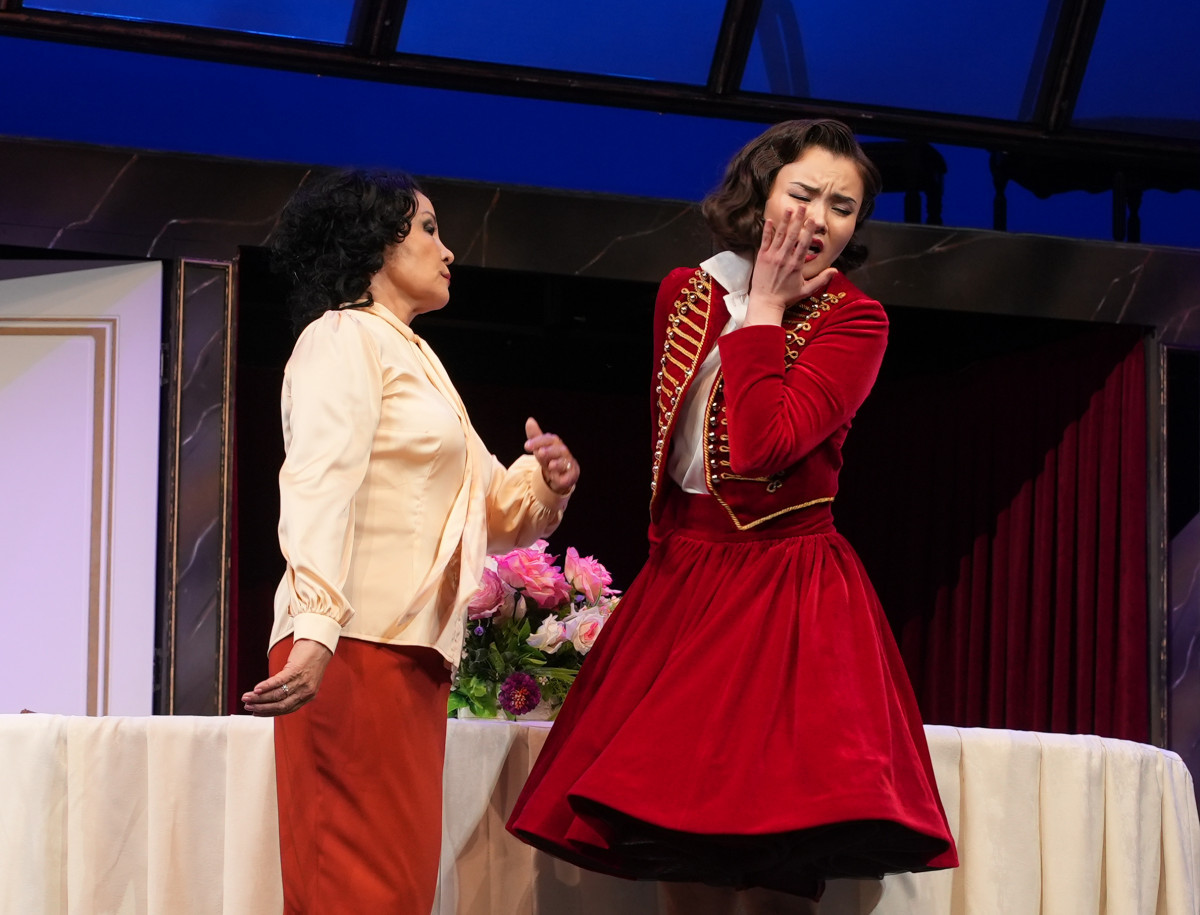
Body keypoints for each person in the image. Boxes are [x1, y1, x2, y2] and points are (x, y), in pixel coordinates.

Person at [506, 120, 957, 910]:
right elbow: (676, 454)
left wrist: (768, 311)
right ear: (759, 194)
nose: (819, 219)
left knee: (778, 849)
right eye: (803, 194)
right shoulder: (687, 291)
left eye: (843, 207)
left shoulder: (854, 319)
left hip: (786, 589)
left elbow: (761, 446)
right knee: (674, 835)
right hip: (686, 577)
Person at [241, 169, 579, 914]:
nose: (448, 249)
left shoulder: (417, 359)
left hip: (412, 652)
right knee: (354, 883)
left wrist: (546, 481)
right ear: (374, 241)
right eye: (427, 228)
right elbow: (318, 483)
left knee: (397, 887)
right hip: (350, 643)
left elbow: (489, 512)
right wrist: (316, 627)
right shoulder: (340, 336)